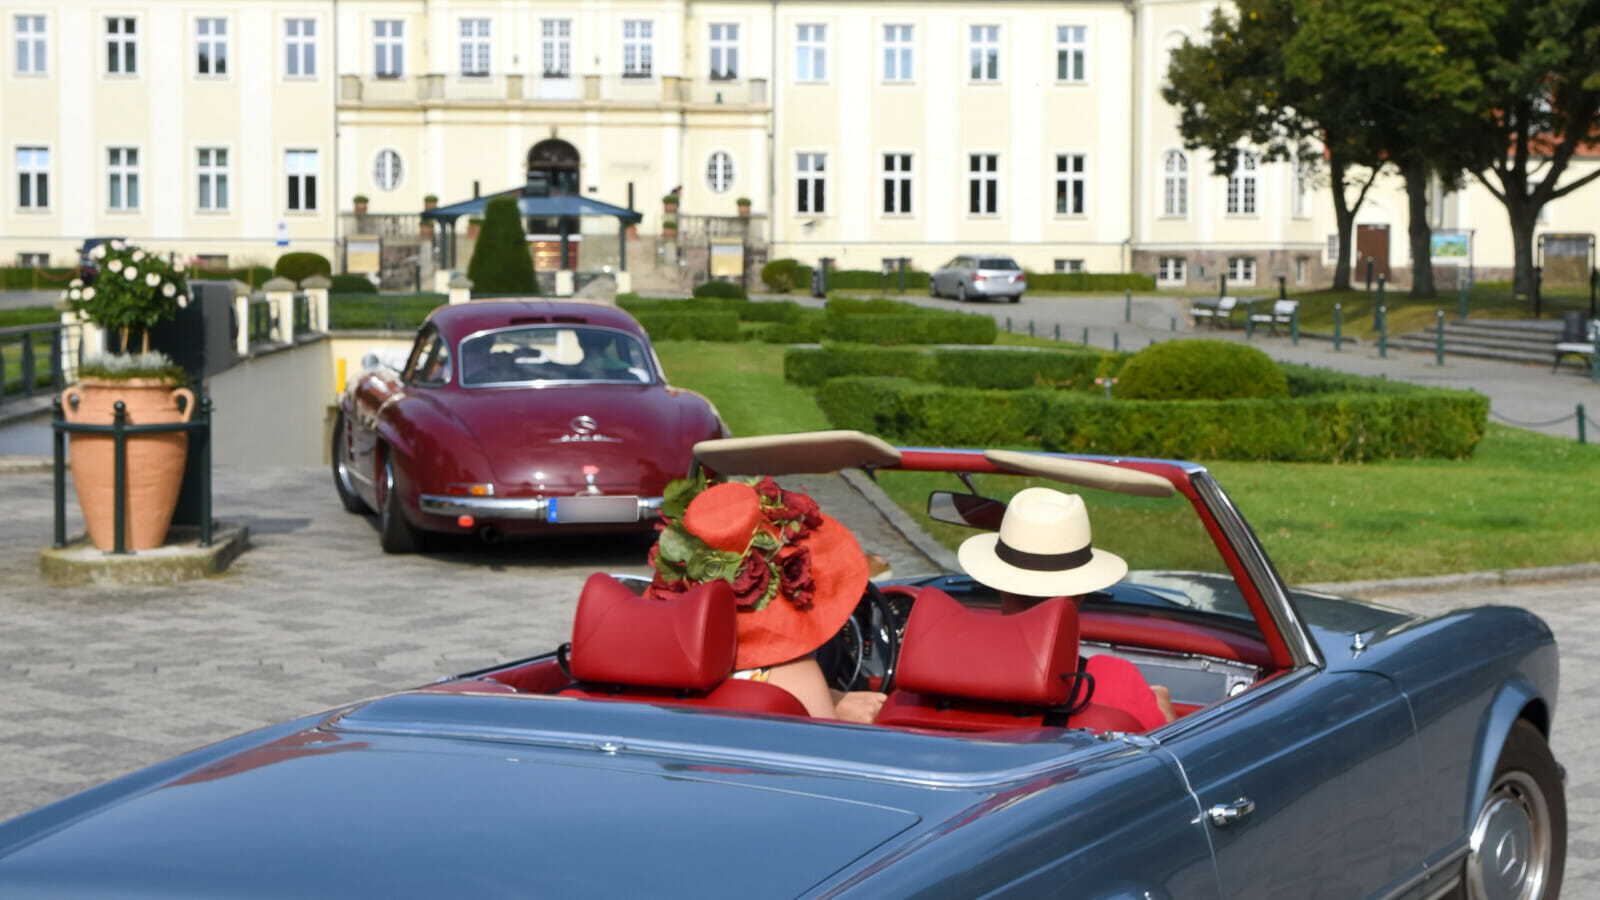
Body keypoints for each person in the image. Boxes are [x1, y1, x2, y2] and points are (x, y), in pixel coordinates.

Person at [645, 477, 886, 724]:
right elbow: (831, 754)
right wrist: (839, 712)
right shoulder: (790, 677)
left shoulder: (648, 666)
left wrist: (832, 698)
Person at [956, 486, 1177, 729]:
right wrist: (1164, 713)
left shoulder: (942, 671)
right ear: (1081, 593)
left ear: (998, 585)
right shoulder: (1116, 680)